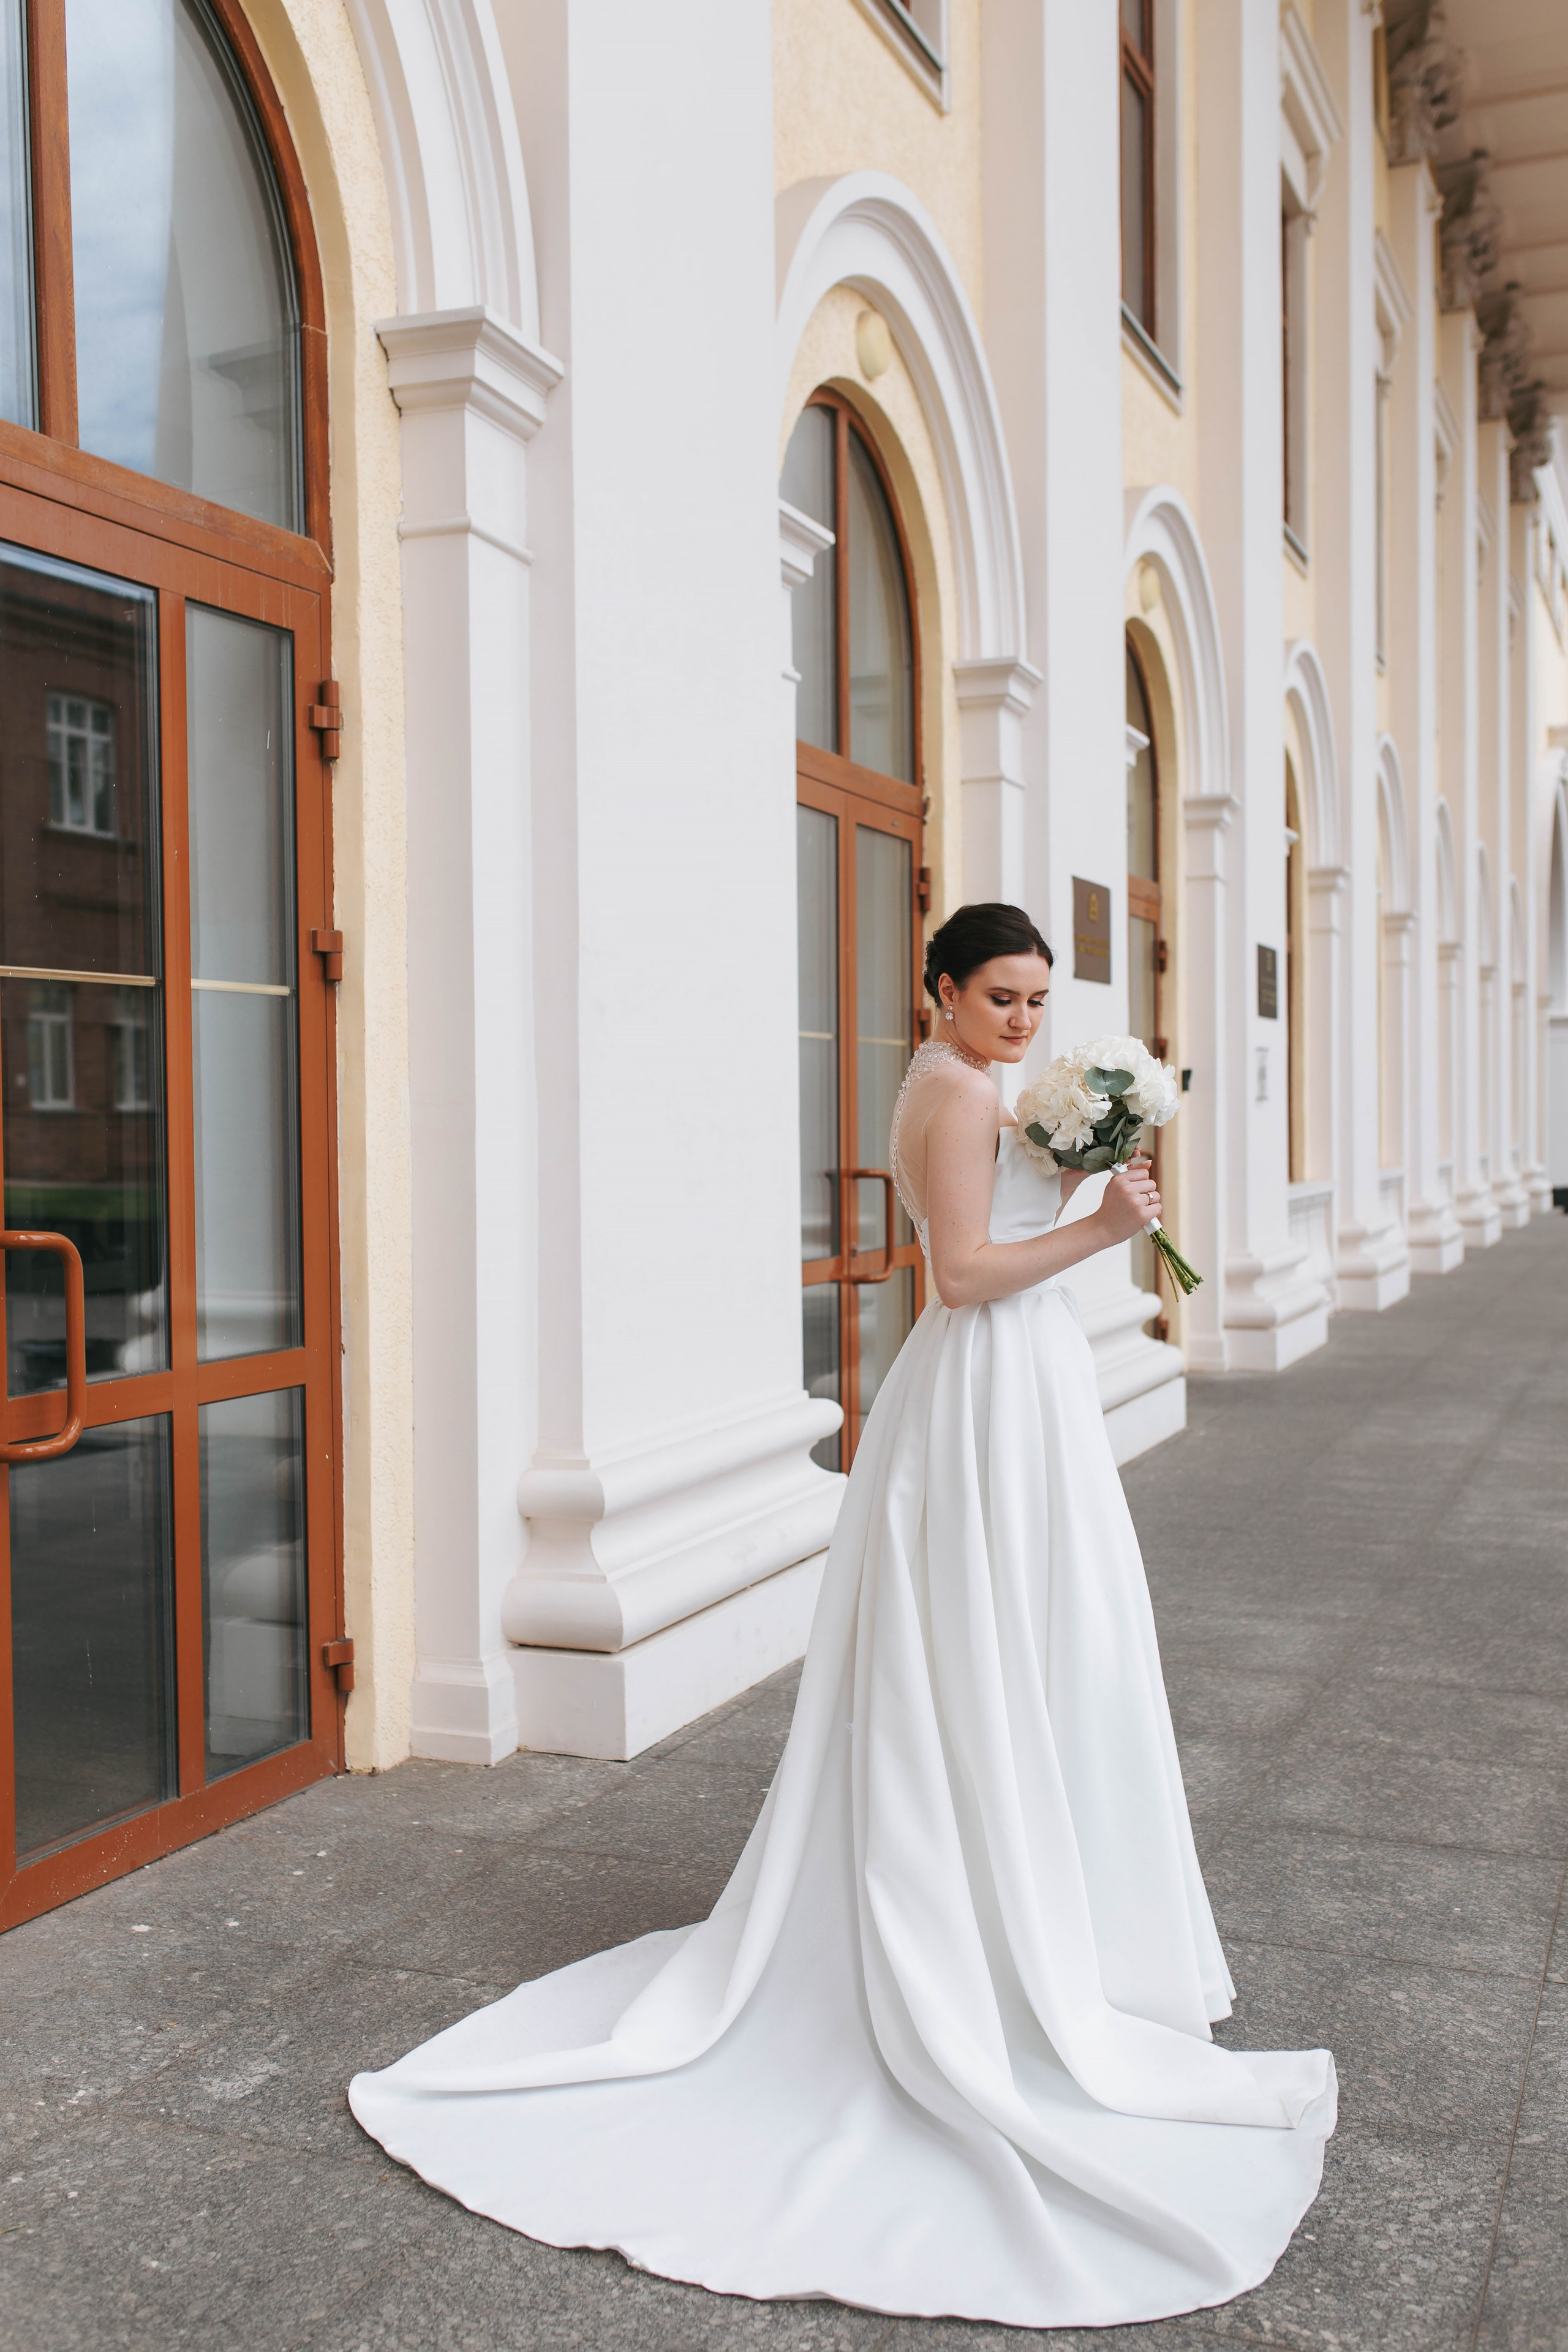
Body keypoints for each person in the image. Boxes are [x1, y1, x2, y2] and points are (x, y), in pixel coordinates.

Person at [350, 900, 1335, 2329]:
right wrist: (1101, 1225)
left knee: (1048, 1651)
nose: (1019, 1020)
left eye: (1036, 1001)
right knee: (974, 1658)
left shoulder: (986, 1089)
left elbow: (1003, 1237)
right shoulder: (946, 1092)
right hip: (983, 1381)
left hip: (1023, 1389)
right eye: (998, 995)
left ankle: (1065, 1934)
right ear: (936, 990)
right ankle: (977, 1944)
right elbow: (961, 1274)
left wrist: (1079, 1186)